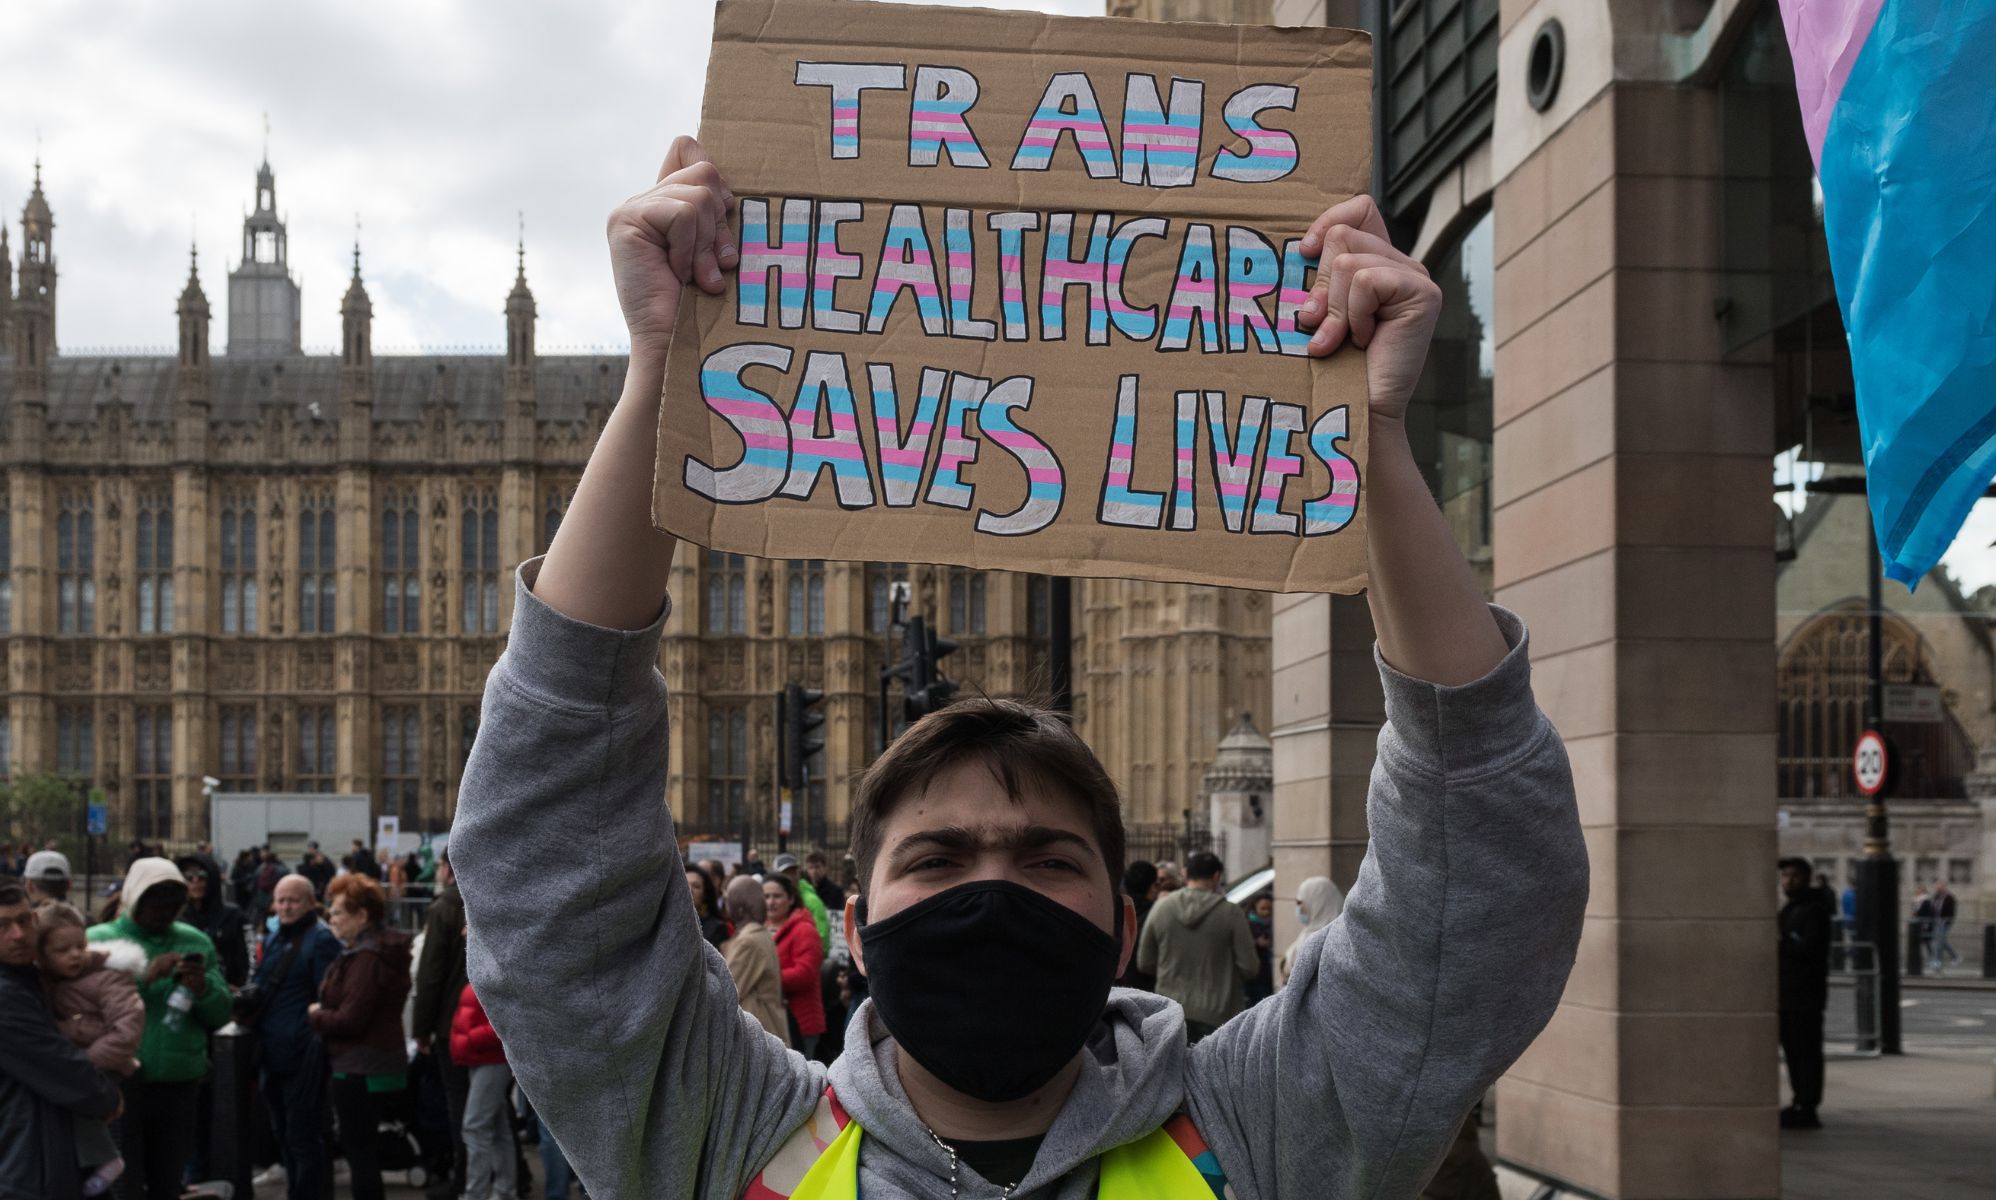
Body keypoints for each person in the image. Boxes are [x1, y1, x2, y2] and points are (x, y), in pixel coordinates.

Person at [448, 141, 1587, 1198]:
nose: (991, 895)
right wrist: (666, 376)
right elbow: (545, 872)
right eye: (938, 859)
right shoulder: (734, 1141)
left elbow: (1477, 896)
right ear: (852, 926)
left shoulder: (1261, 1133)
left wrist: (1371, 438)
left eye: (1046, 860)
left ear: (1122, 923)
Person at [86, 858, 231, 1199]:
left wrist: (203, 989)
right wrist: (146, 978)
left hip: (178, 1081)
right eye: (154, 908)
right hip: (119, 1082)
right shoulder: (100, 940)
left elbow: (220, 1014)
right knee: (124, 1182)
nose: (163, 916)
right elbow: (85, 1006)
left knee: (168, 1180)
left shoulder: (194, 941)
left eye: (171, 908)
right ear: (134, 900)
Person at [1, 881, 124, 1200]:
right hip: (26, 1167)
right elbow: (57, 1065)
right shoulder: (6, 994)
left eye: (24, 921)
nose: (17, 934)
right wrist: (107, 1096)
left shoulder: (29, 977)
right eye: (2, 925)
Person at [309, 873, 412, 1200]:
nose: (332, 918)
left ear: (362, 916)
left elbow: (351, 1019)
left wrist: (316, 1016)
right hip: (376, 1062)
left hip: (358, 1066)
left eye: (338, 912)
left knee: (360, 1152)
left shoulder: (366, 959)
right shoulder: (374, 952)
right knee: (364, 1150)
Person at [35, 903, 144, 1197]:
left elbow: (127, 1029)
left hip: (103, 1065)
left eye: (79, 946)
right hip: (83, 1063)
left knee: (88, 1111)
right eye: (62, 949)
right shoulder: (46, 983)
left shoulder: (109, 975)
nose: (74, 955)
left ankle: (108, 1160)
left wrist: (83, 1062)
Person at [249, 874, 342, 1200]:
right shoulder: (278, 937)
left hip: (303, 1055)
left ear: (309, 903)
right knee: (284, 1135)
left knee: (303, 1136)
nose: (286, 907)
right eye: (281, 900)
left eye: (293, 900)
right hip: (273, 1053)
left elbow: (328, 997)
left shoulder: (319, 940)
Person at [1135, 851, 1259, 1042]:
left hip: (1170, 1011)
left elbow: (1145, 962)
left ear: (1185, 874)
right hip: (1219, 1015)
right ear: (1217, 876)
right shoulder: (1232, 914)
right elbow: (1249, 967)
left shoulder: (1161, 908)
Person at [410, 851, 471, 1200]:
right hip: (494, 1025)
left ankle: (463, 1179)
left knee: (460, 1107)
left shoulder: (445, 907)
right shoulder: (494, 894)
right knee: (491, 1108)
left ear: (449, 868)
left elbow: (430, 975)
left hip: (455, 1025)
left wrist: (421, 1029)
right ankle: (514, 1175)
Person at [449, 979, 515, 1200]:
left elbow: (507, 1014)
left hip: (489, 1056)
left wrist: (472, 1038)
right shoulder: (483, 956)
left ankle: (476, 1194)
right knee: (497, 1127)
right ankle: (504, 1190)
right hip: (481, 1056)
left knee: (475, 1126)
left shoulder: (493, 958)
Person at [1778, 857, 1830, 1130]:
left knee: (1806, 1053)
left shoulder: (1814, 911)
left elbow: (1809, 950)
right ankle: (1800, 1101)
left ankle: (1808, 1106)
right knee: (1793, 1053)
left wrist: (1784, 944)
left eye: (1794, 876)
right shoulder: (1789, 910)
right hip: (1787, 994)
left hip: (1805, 995)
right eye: (1785, 876)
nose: (1788, 881)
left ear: (1807, 878)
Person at [719, 875, 790, 1047]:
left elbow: (726, 991)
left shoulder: (748, 942)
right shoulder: (760, 934)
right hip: (768, 1030)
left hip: (758, 1035)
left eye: (729, 900)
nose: (725, 906)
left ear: (741, 908)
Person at [764, 872, 827, 1057]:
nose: (770, 902)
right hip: (774, 1020)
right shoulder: (762, 927)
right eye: (766, 896)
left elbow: (805, 973)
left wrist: (766, 981)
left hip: (800, 1022)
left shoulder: (804, 929)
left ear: (791, 898)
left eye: (777, 896)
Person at [174, 851, 252, 988]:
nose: (195, 881)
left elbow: (249, 960)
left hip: (227, 993)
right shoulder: (176, 918)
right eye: (188, 877)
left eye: (202, 876)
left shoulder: (234, 916)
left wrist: (241, 991)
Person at [1278, 876, 1345, 989]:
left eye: (1300, 902)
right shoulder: (1343, 934)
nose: (1299, 908)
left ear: (1317, 903)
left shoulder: (1317, 941)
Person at [774, 853, 832, 954]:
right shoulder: (770, 901)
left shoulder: (812, 902)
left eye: (793, 872)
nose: (790, 876)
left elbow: (822, 940)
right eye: (785, 873)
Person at [1116, 861, 1160, 990]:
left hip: (1117, 985)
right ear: (1151, 887)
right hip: (1148, 986)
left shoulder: (1113, 911)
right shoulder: (1157, 912)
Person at [686, 864, 732, 949]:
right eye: (684, 884)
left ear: (705, 895)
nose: (689, 890)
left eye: (696, 887)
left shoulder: (717, 928)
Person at [1243, 894, 1275, 1006]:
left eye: (1269, 909)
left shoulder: (1275, 924)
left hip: (1269, 975)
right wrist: (1256, 943)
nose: (1266, 912)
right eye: (1263, 909)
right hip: (1256, 976)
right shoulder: (1248, 924)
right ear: (1255, 908)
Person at [1928, 881, 1958, 974]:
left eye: (1940, 887)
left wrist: (1947, 919)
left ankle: (1937, 961)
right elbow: (1933, 909)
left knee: (1939, 941)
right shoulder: (1936, 897)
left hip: (1945, 922)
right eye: (1937, 887)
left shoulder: (1950, 898)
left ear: (1944, 888)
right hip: (1936, 921)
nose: (1938, 889)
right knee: (1941, 940)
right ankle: (1955, 956)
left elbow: (1951, 911)